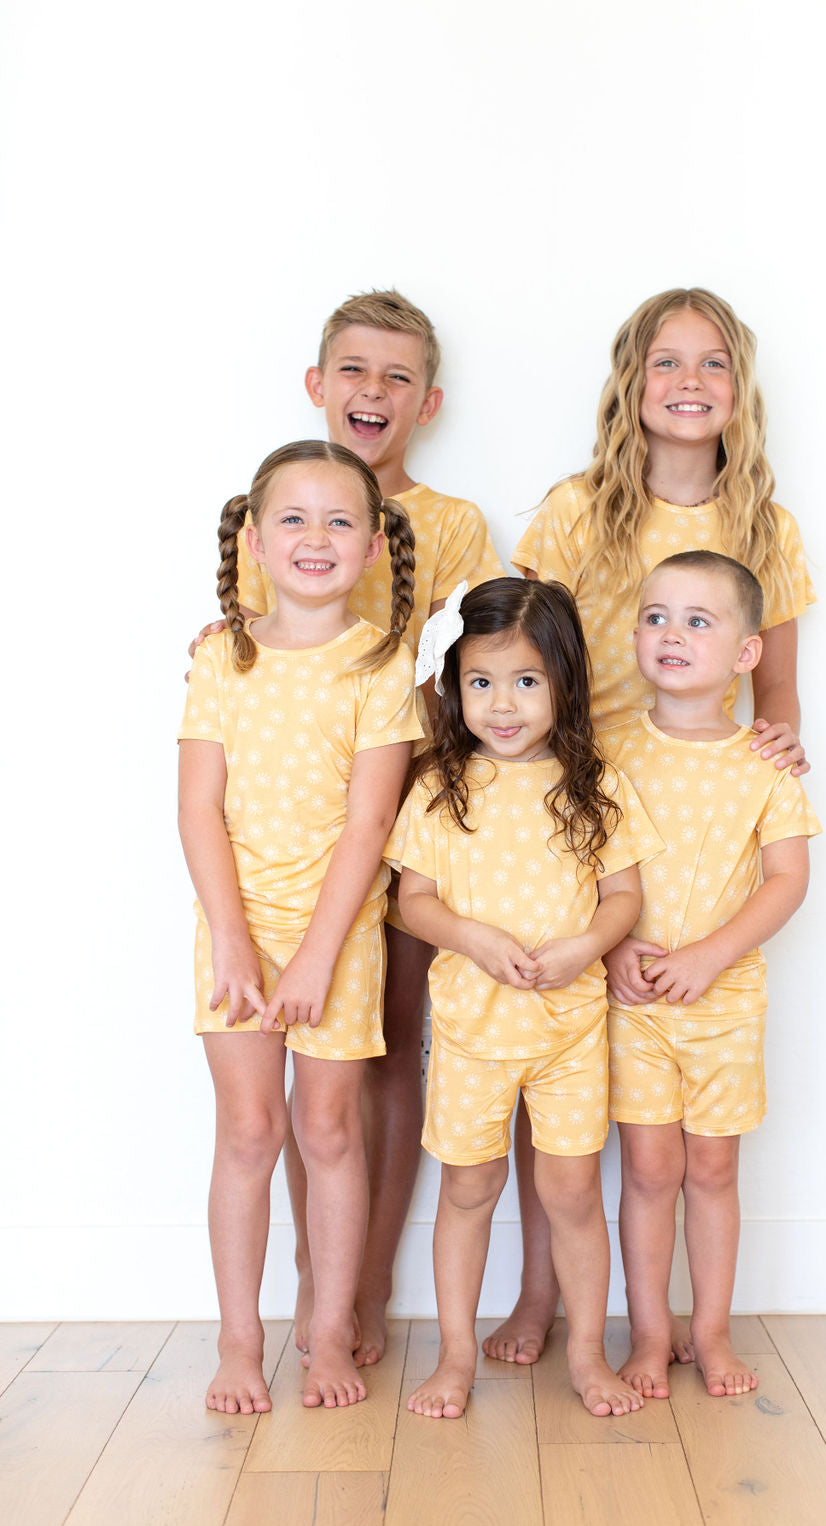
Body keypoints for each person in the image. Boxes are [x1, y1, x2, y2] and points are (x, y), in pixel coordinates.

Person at [489, 286, 817, 1367]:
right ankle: (540, 1294)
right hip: (576, 812)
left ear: (739, 389)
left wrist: (777, 751)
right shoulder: (580, 508)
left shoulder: (765, 526)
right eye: (665, 361)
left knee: (668, 1145)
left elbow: (779, 690)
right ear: (630, 384)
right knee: (557, 1079)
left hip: (700, 828)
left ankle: (673, 1325)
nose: (688, 381)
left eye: (712, 362)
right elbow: (515, 643)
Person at [197, 290, 505, 1368]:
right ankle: (312, 1286)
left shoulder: (451, 525)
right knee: (284, 1091)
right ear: (318, 386)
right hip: (286, 840)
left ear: (426, 401)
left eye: (396, 376)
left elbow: (481, 666)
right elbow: (245, 645)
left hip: (407, 821)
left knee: (381, 1052)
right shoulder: (282, 508)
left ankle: (360, 1286)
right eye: (354, 371)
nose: (373, 391)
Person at [178, 440, 421, 1414]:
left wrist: (319, 956)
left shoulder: (381, 663)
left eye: (339, 521)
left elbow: (371, 823)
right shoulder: (219, 657)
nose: (315, 537)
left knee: (327, 1131)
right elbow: (198, 810)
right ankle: (240, 1343)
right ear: (253, 538)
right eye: (292, 518)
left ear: (371, 546)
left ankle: (327, 1334)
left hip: (338, 936)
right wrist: (234, 939)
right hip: (234, 931)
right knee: (248, 1131)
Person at [385, 578, 663, 1419]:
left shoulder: (596, 785)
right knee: (469, 1191)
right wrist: (471, 938)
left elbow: (623, 896)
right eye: (481, 681)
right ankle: (455, 1357)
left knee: (571, 1194)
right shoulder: (440, 787)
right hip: (471, 1033)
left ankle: (586, 1353)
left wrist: (587, 945)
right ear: (455, 684)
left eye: (526, 681)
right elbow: (413, 900)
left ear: (563, 682)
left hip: (568, 1032)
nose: (502, 704)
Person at [602, 550, 820, 1398]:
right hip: (635, 1004)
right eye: (656, 617)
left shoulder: (767, 761)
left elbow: (788, 879)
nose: (672, 634)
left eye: (698, 621)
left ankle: (713, 1333)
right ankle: (650, 1335)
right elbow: (578, 864)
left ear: (745, 654)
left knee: (714, 1173)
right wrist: (613, 947)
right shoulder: (610, 750)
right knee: (650, 1172)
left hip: (726, 1007)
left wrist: (710, 954)